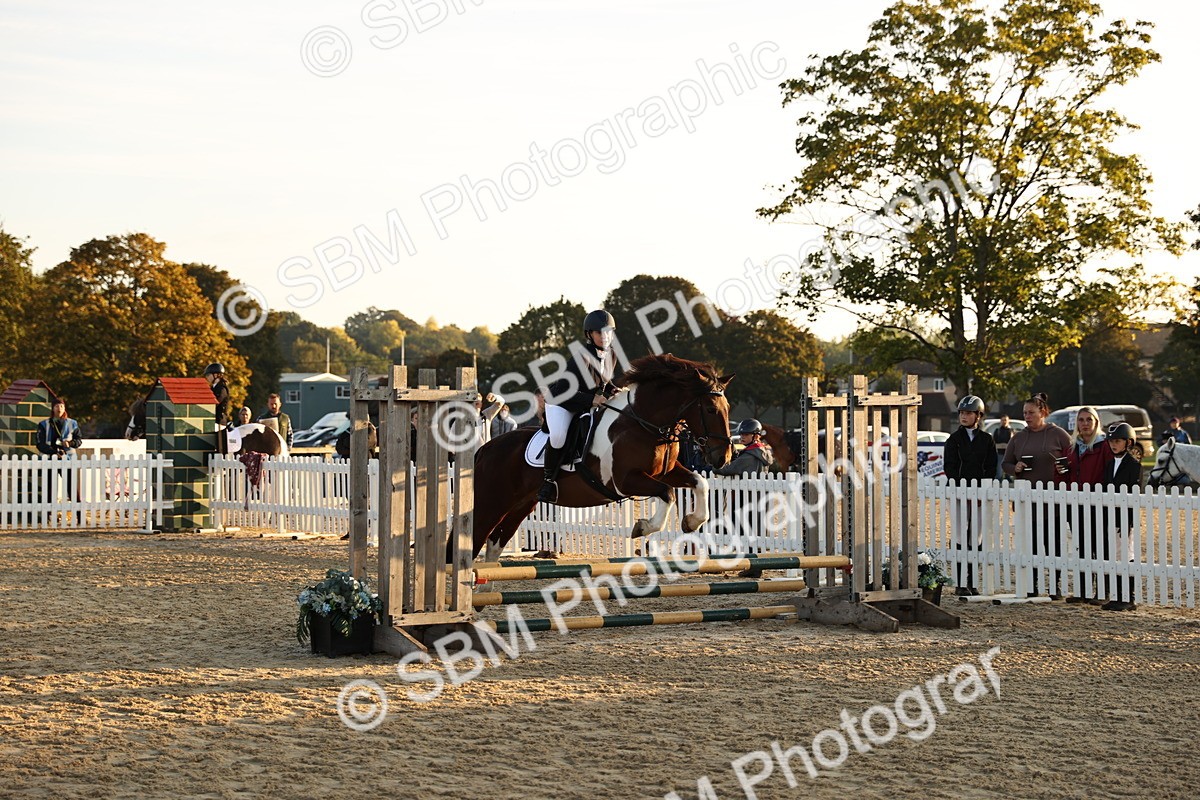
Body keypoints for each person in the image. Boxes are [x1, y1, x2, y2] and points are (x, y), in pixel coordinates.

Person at [538, 310, 622, 503]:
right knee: (558, 437)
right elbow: (563, 391)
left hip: (583, 404)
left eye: (608, 332)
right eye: (599, 333)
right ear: (589, 335)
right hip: (561, 403)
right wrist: (592, 400)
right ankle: (547, 481)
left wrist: (615, 390)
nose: (604, 336)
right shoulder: (580, 358)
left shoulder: (612, 355)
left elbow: (604, 382)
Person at [1003, 392, 1073, 598]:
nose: (1027, 416)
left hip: (1054, 501)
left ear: (1042, 412)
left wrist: (1064, 468)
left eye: (1031, 413)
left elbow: (1072, 459)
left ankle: (1055, 585)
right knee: (1031, 545)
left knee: (1054, 545)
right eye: (1024, 413)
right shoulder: (1018, 437)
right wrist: (1015, 467)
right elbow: (1005, 463)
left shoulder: (1058, 434)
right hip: (1027, 501)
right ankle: (1033, 585)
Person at [942, 396, 998, 596]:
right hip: (958, 494)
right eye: (962, 413)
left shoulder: (986, 439)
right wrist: (960, 492)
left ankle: (973, 581)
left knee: (976, 537)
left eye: (968, 413)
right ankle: (959, 582)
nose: (964, 416)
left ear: (978, 415)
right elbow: (950, 466)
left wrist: (984, 491)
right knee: (959, 536)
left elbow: (991, 467)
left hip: (980, 495)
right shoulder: (953, 440)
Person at [1063, 407, 1113, 604]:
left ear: (1095, 422)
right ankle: (1083, 590)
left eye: (1088, 420)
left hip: (1097, 504)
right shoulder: (1072, 447)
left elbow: (1108, 473)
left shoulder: (1104, 446)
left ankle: (1102, 592)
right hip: (1076, 505)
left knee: (1100, 549)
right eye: (1081, 420)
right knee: (1082, 548)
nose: (1084, 424)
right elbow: (1067, 475)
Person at [714, 419, 773, 565]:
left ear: (756, 436)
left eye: (746, 434)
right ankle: (754, 565)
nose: (742, 437)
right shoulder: (762, 451)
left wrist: (712, 467)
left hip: (745, 499)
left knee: (744, 531)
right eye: (741, 434)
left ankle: (751, 566)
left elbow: (727, 470)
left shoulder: (748, 456)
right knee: (755, 532)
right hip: (759, 497)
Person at [1101, 423, 1142, 612]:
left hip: (1125, 518)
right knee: (1115, 557)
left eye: (1117, 441)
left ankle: (1129, 596)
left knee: (1127, 556)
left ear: (1128, 442)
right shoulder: (1110, 464)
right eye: (1111, 441)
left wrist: (1129, 522)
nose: (1113, 445)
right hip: (1111, 517)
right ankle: (1117, 595)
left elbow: (1134, 496)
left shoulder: (1134, 465)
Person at [36, 398, 83, 520]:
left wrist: (70, 443)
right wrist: (53, 452)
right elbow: (40, 443)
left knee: (72, 487)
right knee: (49, 487)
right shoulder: (43, 424)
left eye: (62, 406)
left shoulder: (73, 423)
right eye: (57, 406)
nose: (59, 408)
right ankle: (48, 515)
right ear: (52, 408)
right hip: (49, 458)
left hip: (67, 459)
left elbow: (78, 441)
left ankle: (79, 515)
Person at [992, 415, 1014, 479]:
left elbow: (1012, 443)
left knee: (1008, 475)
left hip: (1009, 455)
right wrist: (1002, 445)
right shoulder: (997, 431)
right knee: (999, 473)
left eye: (1005, 420)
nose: (1004, 422)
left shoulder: (1011, 431)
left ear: (1008, 421)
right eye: (1002, 420)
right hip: (999, 454)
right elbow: (994, 443)